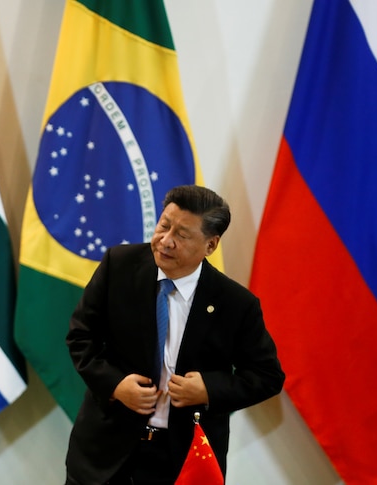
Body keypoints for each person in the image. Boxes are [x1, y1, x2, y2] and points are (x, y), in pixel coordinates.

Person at [64, 185, 285, 485]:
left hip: (183, 459)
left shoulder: (235, 304)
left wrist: (209, 389)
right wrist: (115, 385)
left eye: (181, 235)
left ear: (210, 245)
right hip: (105, 451)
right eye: (164, 226)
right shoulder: (119, 266)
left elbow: (267, 376)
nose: (165, 241)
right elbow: (81, 337)